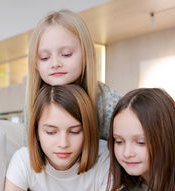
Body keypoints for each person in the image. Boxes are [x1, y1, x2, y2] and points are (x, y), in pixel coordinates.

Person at [25, 9, 121, 142]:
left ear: (86, 54)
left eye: (66, 54)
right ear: (35, 63)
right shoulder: (33, 102)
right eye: (44, 57)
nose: (55, 63)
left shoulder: (110, 102)